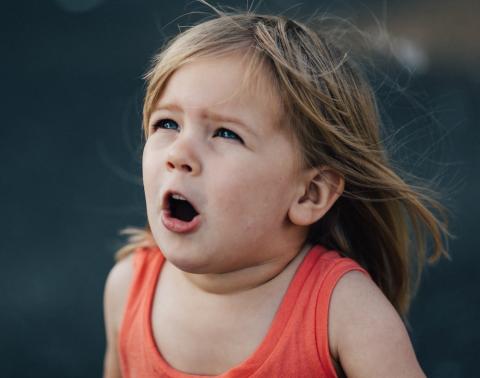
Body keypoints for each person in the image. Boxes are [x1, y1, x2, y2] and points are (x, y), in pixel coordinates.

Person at [103, 8, 450, 378]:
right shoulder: (128, 290)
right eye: (167, 123)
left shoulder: (345, 314)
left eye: (225, 133)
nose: (178, 154)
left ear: (310, 194)